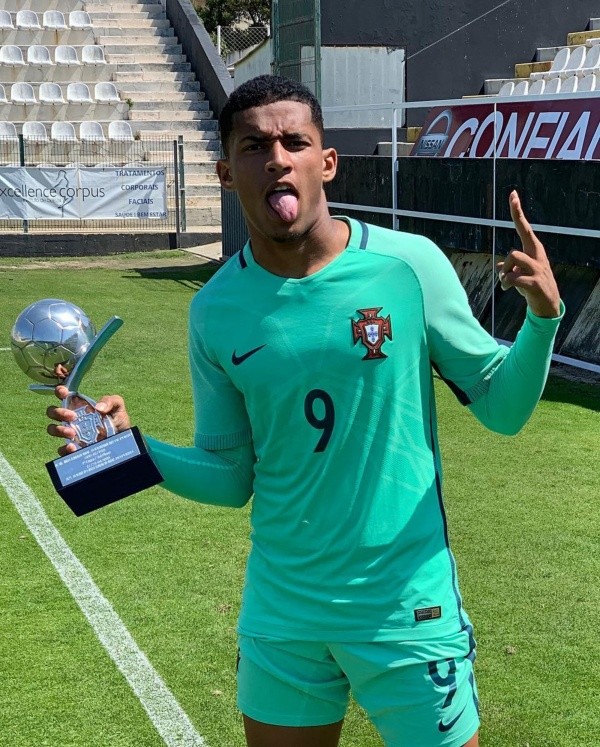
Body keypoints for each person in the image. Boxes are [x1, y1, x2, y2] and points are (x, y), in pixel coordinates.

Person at [47, 75, 563, 747]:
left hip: (406, 607)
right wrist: (128, 448)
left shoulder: (409, 266)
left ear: (327, 162)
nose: (277, 159)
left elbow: (502, 407)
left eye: (295, 142)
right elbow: (230, 476)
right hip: (284, 614)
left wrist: (543, 321)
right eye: (255, 146)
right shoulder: (215, 309)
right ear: (226, 173)